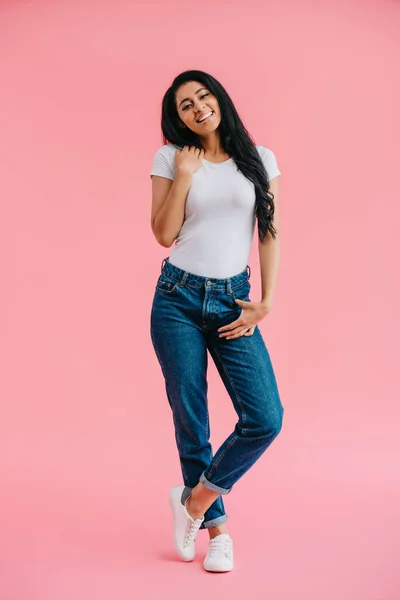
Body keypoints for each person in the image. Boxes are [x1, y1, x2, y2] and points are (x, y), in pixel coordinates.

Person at [149, 69, 284, 573]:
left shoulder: (259, 159)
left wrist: (267, 301)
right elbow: (163, 233)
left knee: (265, 418)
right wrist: (184, 175)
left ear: (219, 98)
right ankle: (219, 533)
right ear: (177, 118)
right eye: (185, 105)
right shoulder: (170, 158)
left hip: (233, 301)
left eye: (203, 96)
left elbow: (269, 231)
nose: (198, 108)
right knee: (192, 418)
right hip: (176, 299)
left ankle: (196, 502)